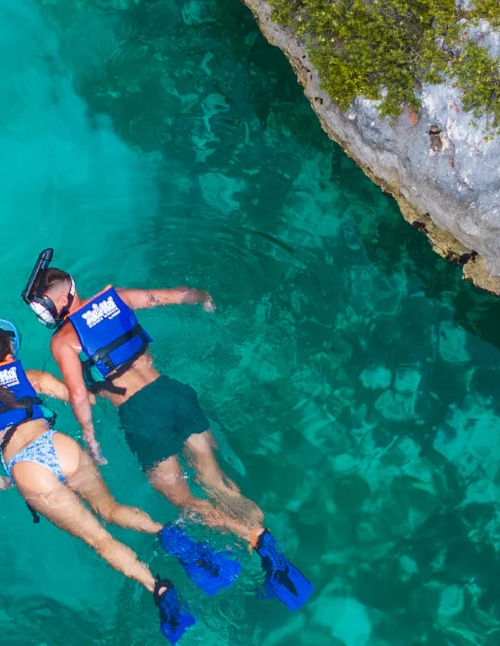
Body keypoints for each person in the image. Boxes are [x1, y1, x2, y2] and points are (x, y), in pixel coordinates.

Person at [20, 250, 313, 610]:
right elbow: (176, 294)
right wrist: (204, 298)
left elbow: (79, 395)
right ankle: (266, 537)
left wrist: (90, 437)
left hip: (140, 413)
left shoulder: (63, 340)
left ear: (59, 302)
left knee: (183, 499)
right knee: (215, 480)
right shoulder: (116, 297)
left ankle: (252, 538)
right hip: (173, 393)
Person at [0, 315, 239, 644]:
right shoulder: (31, 377)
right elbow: (81, 397)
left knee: (99, 539)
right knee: (111, 509)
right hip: (60, 447)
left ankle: (158, 588)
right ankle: (167, 533)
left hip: (28, 471)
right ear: (10, 354)